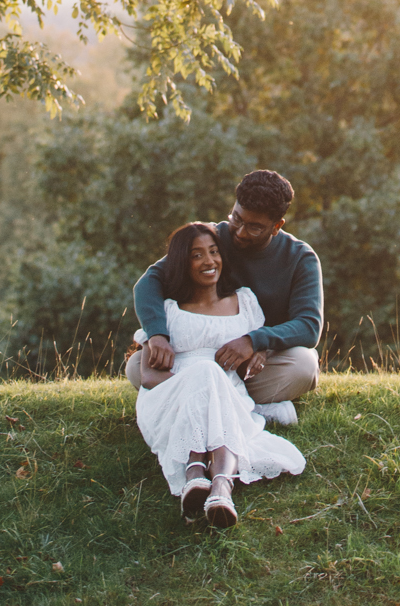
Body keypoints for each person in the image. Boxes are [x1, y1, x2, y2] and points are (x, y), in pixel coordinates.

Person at [133, 220, 306, 527]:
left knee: (212, 379)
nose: (209, 261)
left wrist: (259, 351)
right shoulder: (168, 310)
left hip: (229, 396)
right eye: (197, 255)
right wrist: (196, 387)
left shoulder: (246, 302)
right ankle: (213, 481)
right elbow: (147, 377)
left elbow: (259, 347)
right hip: (173, 399)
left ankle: (211, 484)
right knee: (206, 374)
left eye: (214, 252)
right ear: (182, 263)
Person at [128, 169, 321, 423]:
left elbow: (308, 325)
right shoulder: (211, 239)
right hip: (197, 359)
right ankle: (250, 411)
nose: (240, 232)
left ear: (276, 226)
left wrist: (256, 341)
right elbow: (149, 282)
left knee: (304, 366)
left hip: (253, 365)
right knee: (137, 367)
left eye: (254, 228)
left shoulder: (300, 258)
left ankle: (210, 407)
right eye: (237, 219)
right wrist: (157, 334)